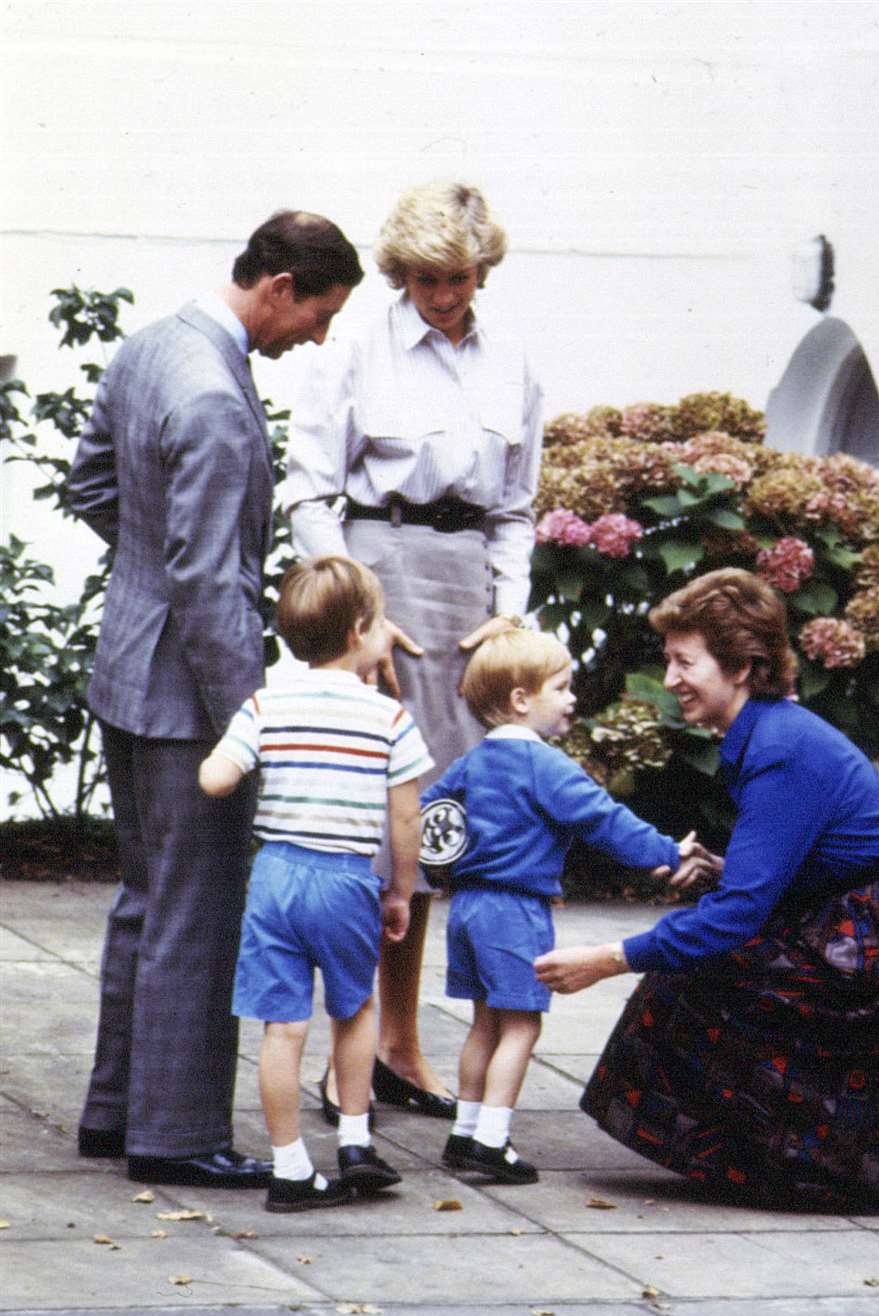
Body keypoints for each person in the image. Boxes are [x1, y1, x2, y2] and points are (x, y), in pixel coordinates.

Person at [536, 569, 879, 1214]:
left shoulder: (778, 746)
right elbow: (796, 863)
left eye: (684, 662)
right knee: (702, 960)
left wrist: (604, 959)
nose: (671, 680)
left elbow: (734, 919)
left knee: (693, 967)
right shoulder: (774, 731)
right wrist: (732, 870)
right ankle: (812, 1163)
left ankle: (816, 1169)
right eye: (670, 661)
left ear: (742, 667)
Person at [68, 211, 363, 1188]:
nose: (316, 336)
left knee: (145, 903)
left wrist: (148, 577)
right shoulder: (214, 399)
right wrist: (256, 718)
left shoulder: (151, 347)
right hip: (188, 697)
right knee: (197, 914)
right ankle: (174, 1131)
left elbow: (94, 487)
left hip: (129, 668)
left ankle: (118, 1110)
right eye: (318, 314)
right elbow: (206, 582)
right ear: (276, 285)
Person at [282, 181, 542, 1122]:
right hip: (375, 577)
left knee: (439, 828)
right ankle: (344, 1049)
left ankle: (401, 1042)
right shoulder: (357, 344)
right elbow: (309, 493)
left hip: (468, 590)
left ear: (483, 271)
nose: (444, 295)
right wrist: (357, 610)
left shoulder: (510, 355)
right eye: (427, 278)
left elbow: (516, 506)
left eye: (460, 277)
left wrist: (509, 618)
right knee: (370, 822)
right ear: (401, 273)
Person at [422, 629, 703, 1184]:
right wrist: (667, 852)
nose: (572, 698)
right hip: (516, 909)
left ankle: (464, 1130)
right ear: (521, 699)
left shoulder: (472, 763)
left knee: (484, 1023)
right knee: (522, 1025)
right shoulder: (545, 766)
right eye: (562, 687)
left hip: (467, 908)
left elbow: (432, 813)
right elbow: (603, 819)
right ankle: (491, 1140)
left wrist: (441, 866)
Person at [199, 557, 431, 1212]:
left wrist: (217, 765)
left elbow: (219, 776)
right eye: (383, 620)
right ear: (360, 629)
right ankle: (355, 1140)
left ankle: (291, 1165)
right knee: (354, 1008)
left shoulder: (266, 703)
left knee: (282, 1026)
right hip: (346, 878)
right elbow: (406, 816)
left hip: (274, 874)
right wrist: (399, 889)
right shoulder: (388, 718)